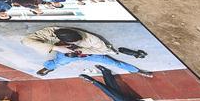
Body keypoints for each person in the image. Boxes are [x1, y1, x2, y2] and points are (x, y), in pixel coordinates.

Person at [22, 26, 150, 76]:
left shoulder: (92, 40)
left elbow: (102, 50)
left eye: (75, 43)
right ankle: (48, 68)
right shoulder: (51, 32)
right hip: (64, 53)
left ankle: (136, 71)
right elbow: (26, 41)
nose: (73, 45)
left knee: (113, 62)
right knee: (58, 63)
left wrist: (81, 50)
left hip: (89, 54)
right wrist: (57, 48)